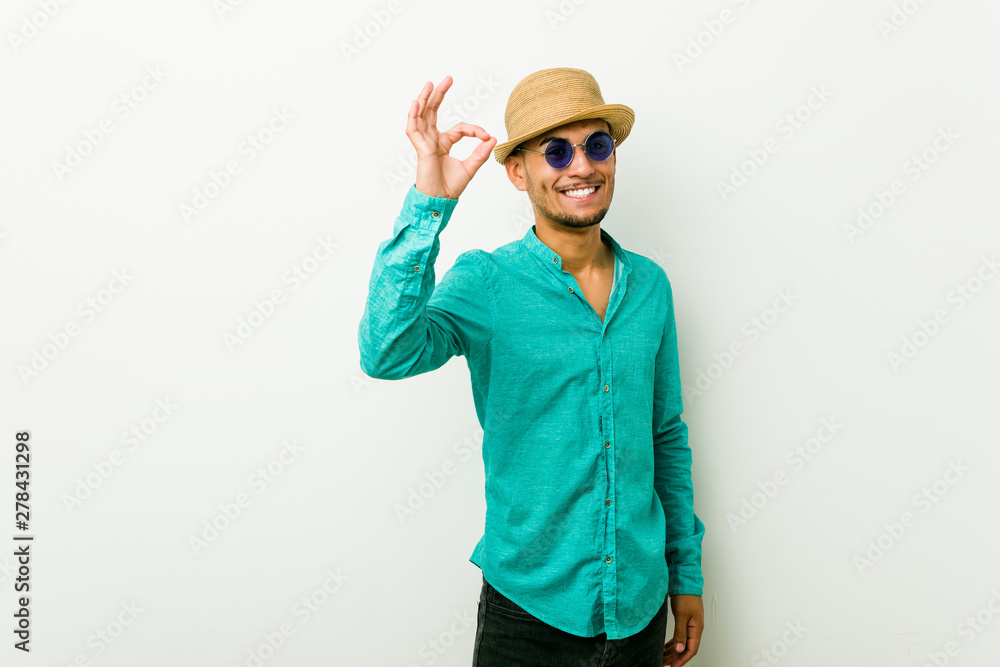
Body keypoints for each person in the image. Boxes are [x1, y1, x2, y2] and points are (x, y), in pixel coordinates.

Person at [358, 67, 705, 667]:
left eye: (598, 145)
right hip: (530, 614)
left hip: (641, 607)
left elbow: (665, 436)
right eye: (556, 151)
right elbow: (386, 352)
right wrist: (429, 207)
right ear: (518, 172)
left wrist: (686, 574)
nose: (582, 166)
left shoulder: (650, 286)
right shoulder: (488, 282)